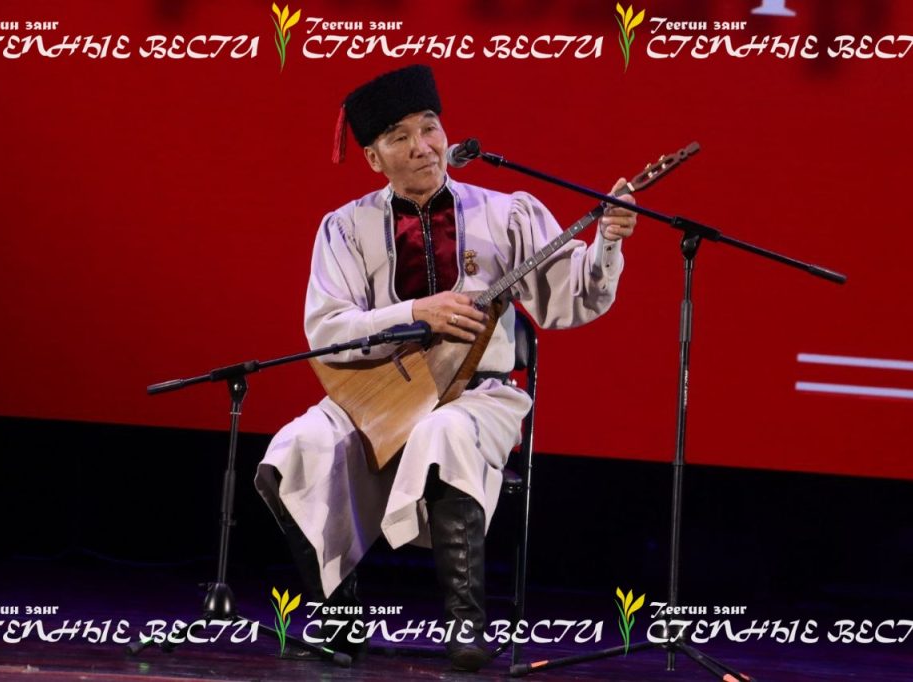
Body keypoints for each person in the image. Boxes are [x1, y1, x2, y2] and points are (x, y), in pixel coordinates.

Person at [255, 64, 636, 672]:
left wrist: (608, 241)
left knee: (445, 431)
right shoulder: (345, 228)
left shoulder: (507, 213)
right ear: (373, 158)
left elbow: (570, 301)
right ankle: (341, 617)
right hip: (378, 394)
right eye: (399, 137)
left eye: (429, 128)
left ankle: (465, 624)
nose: (422, 146)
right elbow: (326, 331)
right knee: (296, 446)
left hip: (477, 396)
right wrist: (415, 312)